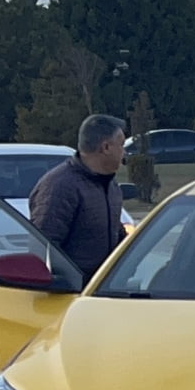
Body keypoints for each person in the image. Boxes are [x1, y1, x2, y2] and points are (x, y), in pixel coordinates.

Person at [28, 114, 127, 280]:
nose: (124, 153)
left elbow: (117, 234)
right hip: (69, 294)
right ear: (106, 147)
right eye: (122, 145)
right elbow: (43, 247)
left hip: (104, 289)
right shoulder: (59, 187)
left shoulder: (110, 184)